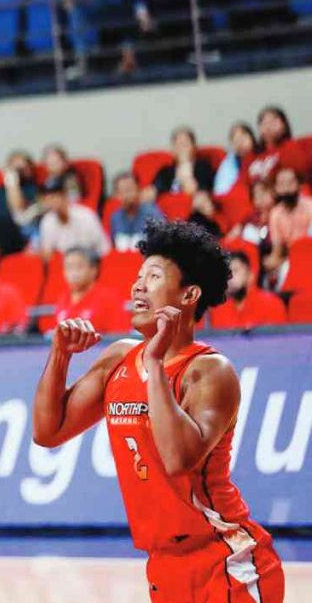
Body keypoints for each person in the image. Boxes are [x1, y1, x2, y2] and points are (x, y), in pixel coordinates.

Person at [32, 220, 284, 602]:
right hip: (163, 566)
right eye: (138, 276)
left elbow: (178, 457)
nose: (137, 286)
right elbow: (48, 432)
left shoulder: (210, 371)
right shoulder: (118, 358)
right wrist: (60, 355)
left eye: (153, 276)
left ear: (189, 295)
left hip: (226, 559)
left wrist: (154, 364)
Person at [39, 247, 131, 334]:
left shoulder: (109, 298)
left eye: (79, 267)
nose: (74, 273)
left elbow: (119, 336)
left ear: (93, 269)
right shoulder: (63, 298)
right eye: (69, 267)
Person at [209, 252, 285, 330]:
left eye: (235, 271)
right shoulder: (217, 309)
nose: (230, 278)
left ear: (250, 275)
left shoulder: (272, 303)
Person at [37, 181, 110, 260]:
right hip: (66, 266)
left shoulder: (86, 216)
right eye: (46, 198)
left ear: (64, 196)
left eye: (53, 197)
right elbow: (48, 255)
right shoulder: (47, 222)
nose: (49, 202)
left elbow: (104, 249)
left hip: (90, 262)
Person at [247, 106, 311, 185]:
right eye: (264, 122)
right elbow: (242, 185)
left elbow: (300, 171)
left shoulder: (295, 146)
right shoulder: (251, 155)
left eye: (274, 121)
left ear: (284, 125)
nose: (269, 126)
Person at [264, 168, 312, 274]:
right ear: (275, 188)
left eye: (290, 183)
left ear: (299, 185)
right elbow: (277, 251)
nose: (286, 188)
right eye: (281, 184)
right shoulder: (275, 214)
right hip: (290, 260)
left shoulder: (310, 206)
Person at [149, 126, 215, 197]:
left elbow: (198, 191)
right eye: (178, 144)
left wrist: (185, 166)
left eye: (185, 144)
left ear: (194, 147)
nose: (182, 148)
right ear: (173, 149)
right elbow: (155, 191)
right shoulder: (165, 171)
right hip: (169, 206)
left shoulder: (203, 167)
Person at [109, 172, 164, 252]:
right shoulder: (115, 218)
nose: (126, 195)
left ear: (138, 190)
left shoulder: (152, 214)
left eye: (129, 190)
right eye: (121, 192)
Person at [214, 122, 259, 195]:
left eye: (242, 139)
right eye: (236, 141)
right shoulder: (229, 163)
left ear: (252, 138)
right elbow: (221, 190)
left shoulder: (262, 155)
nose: (240, 144)